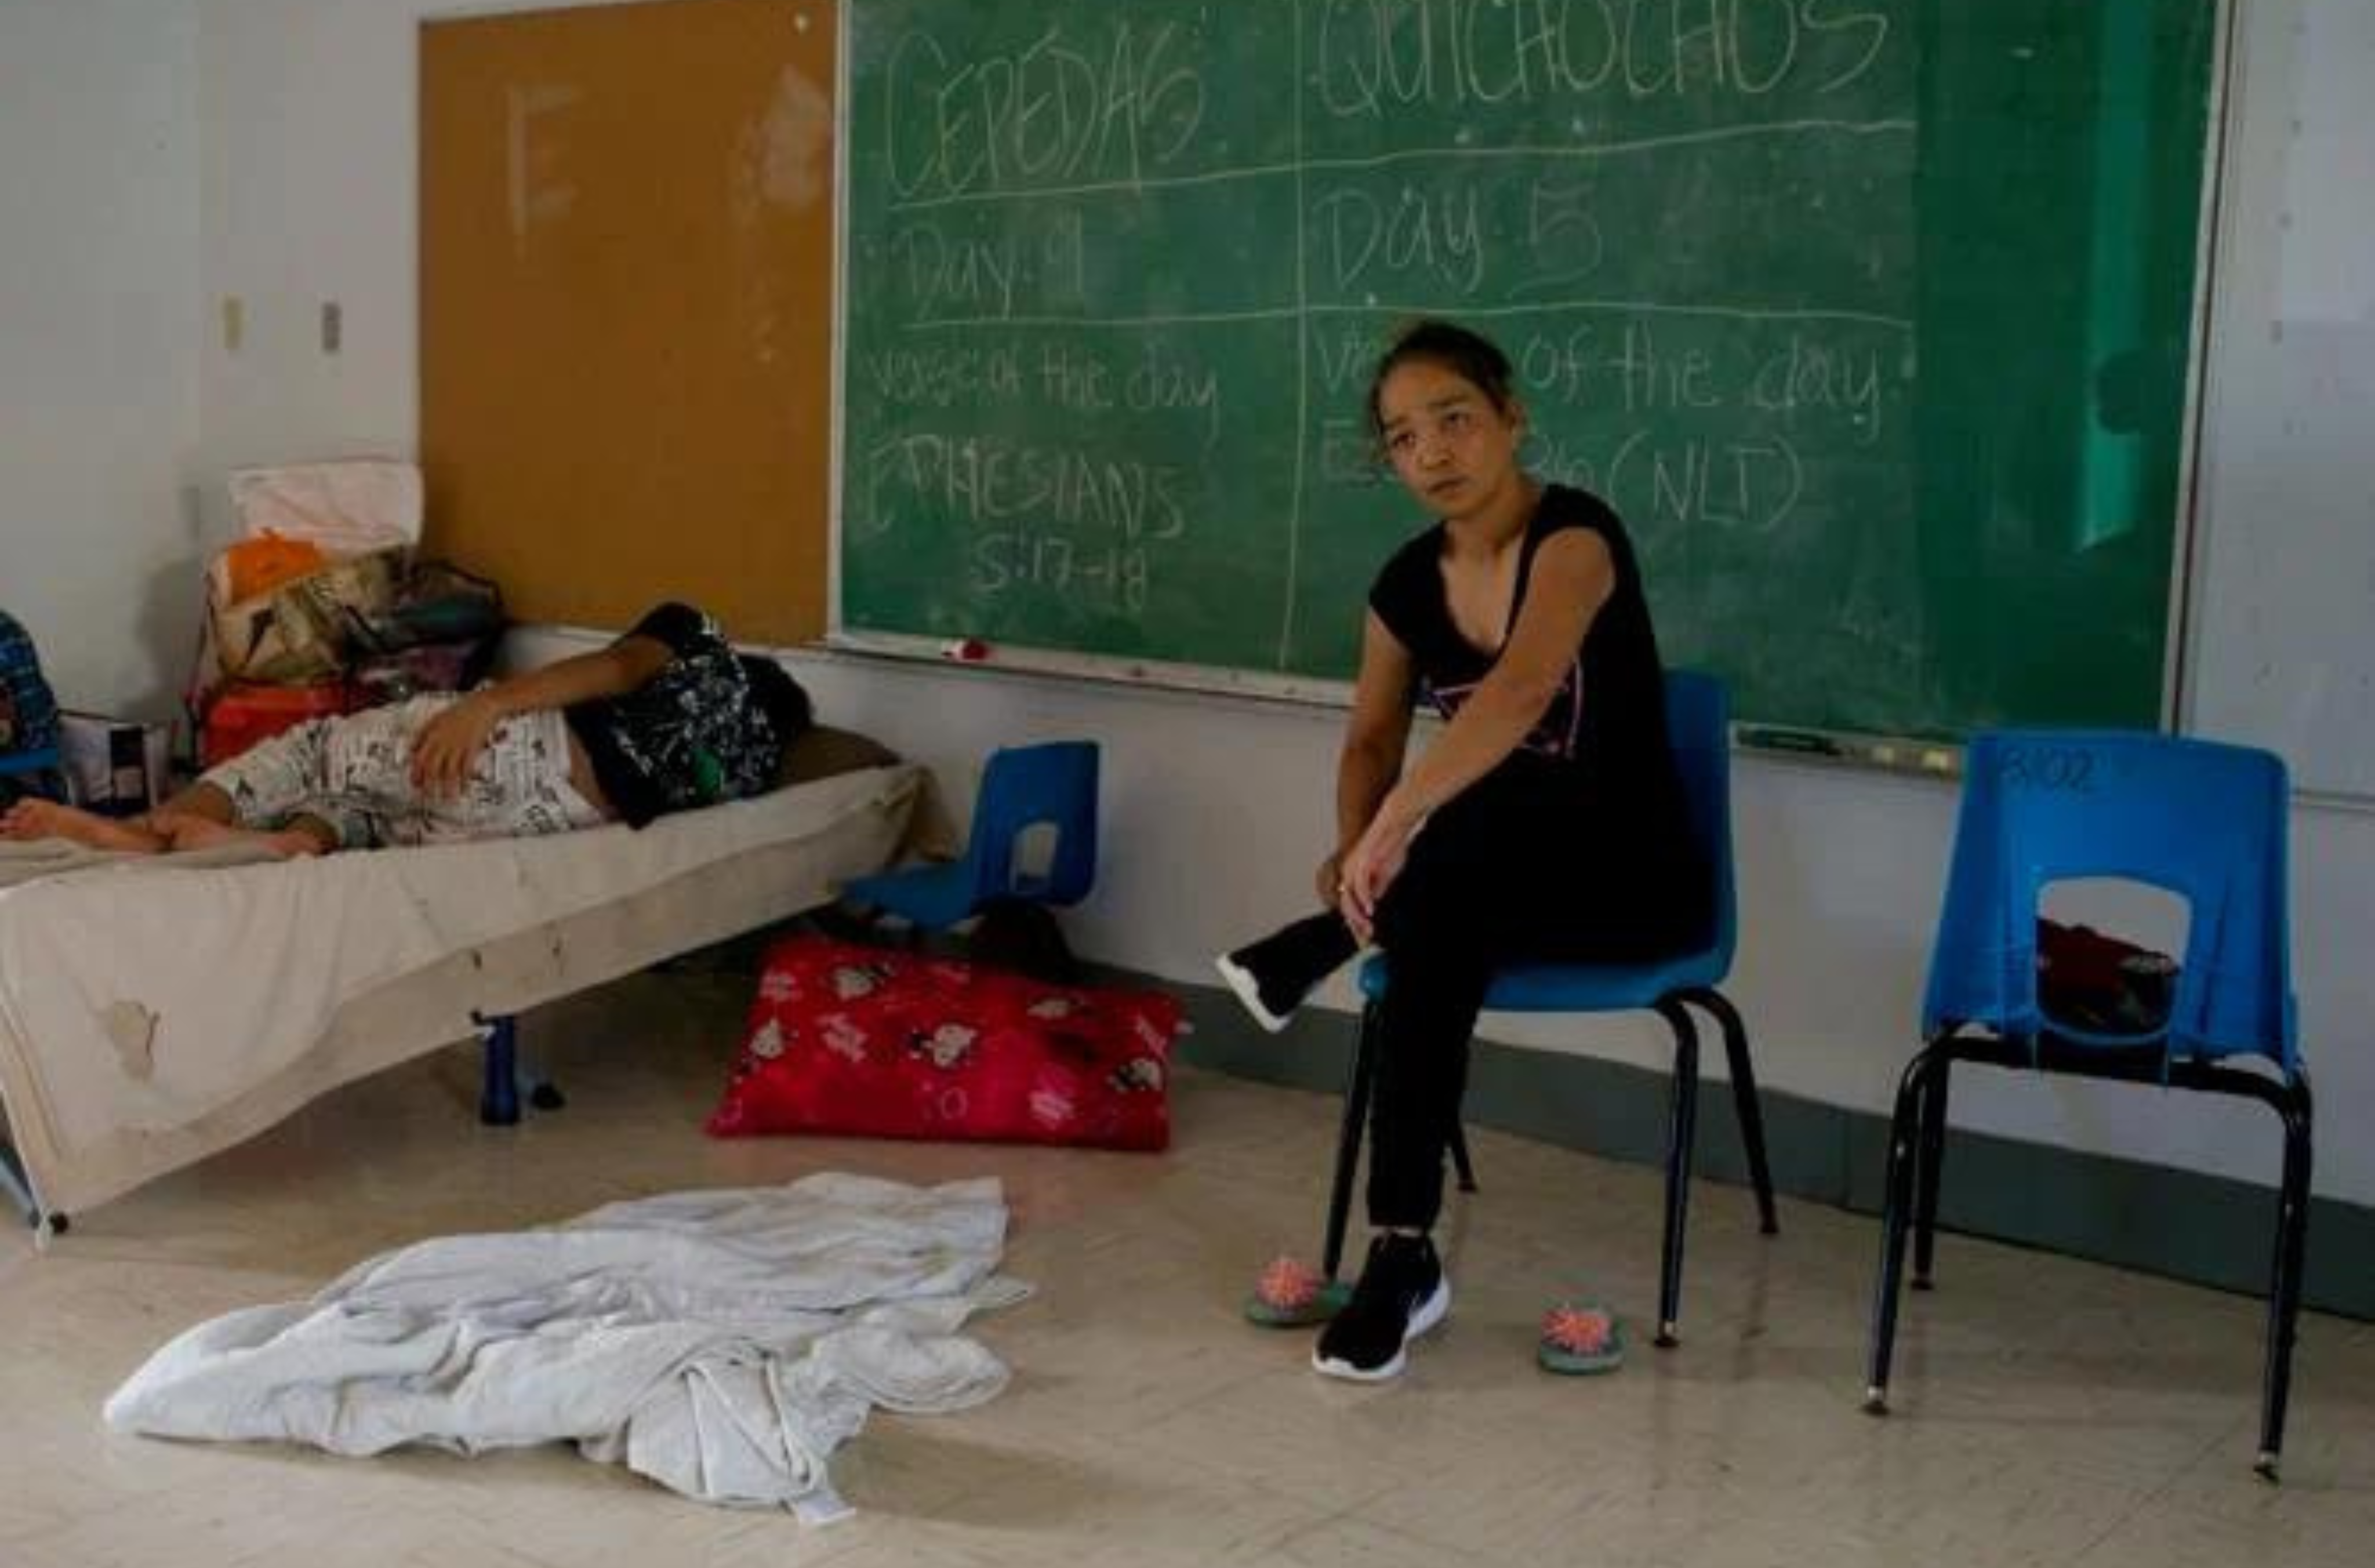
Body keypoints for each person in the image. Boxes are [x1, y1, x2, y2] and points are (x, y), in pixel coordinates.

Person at [1215, 320, 1711, 1382]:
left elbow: (1522, 691)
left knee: (1455, 852)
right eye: (1404, 437)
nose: (1432, 451)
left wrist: (1391, 834)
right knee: (1437, 926)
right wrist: (1357, 845)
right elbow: (1371, 738)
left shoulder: (1577, 538)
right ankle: (1402, 1251)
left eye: (1454, 419)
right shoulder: (1405, 585)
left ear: (1510, 417)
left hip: (1632, 882)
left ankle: (1319, 944)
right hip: (1481, 889)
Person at [0, 602, 812, 858]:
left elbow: (620, 667)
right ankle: (293, 845)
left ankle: (154, 830)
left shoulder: (702, 643)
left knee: (314, 753)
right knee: (364, 820)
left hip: (510, 743)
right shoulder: (751, 768)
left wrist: (487, 704)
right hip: (539, 818)